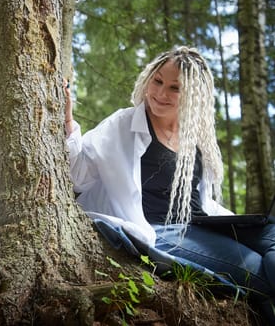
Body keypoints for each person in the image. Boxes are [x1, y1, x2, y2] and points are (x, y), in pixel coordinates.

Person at [64, 46, 275, 322]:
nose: (161, 93)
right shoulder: (122, 124)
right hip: (162, 231)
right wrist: (68, 122)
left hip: (203, 226)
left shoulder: (195, 139)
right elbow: (77, 174)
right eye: (158, 80)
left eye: (175, 88)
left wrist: (240, 222)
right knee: (258, 270)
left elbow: (204, 202)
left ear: (192, 97)